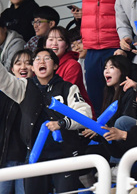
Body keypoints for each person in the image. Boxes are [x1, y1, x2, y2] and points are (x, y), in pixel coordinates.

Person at [54, 0, 126, 115]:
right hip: (92, 50)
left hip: (114, 46)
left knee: (118, 93)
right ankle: (97, 128)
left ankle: (116, 127)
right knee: (94, 94)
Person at [0, 48, 92, 193]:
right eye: (37, 59)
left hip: (65, 156)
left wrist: (62, 123)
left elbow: (85, 114)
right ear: (33, 67)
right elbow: (3, 79)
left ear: (55, 65)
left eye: (47, 58)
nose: (41, 61)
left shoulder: (68, 88)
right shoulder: (24, 87)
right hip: (35, 156)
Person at [39, 26, 93, 112]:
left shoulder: (72, 65)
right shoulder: (39, 65)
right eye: (51, 39)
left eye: (59, 40)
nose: (54, 43)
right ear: (45, 45)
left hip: (76, 114)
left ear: (67, 45)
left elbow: (63, 94)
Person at [0, 50, 32, 194]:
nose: (23, 67)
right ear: (12, 69)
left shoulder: (41, 93)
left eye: (28, 63)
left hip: (28, 159)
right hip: (4, 158)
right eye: (18, 63)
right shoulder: (3, 93)